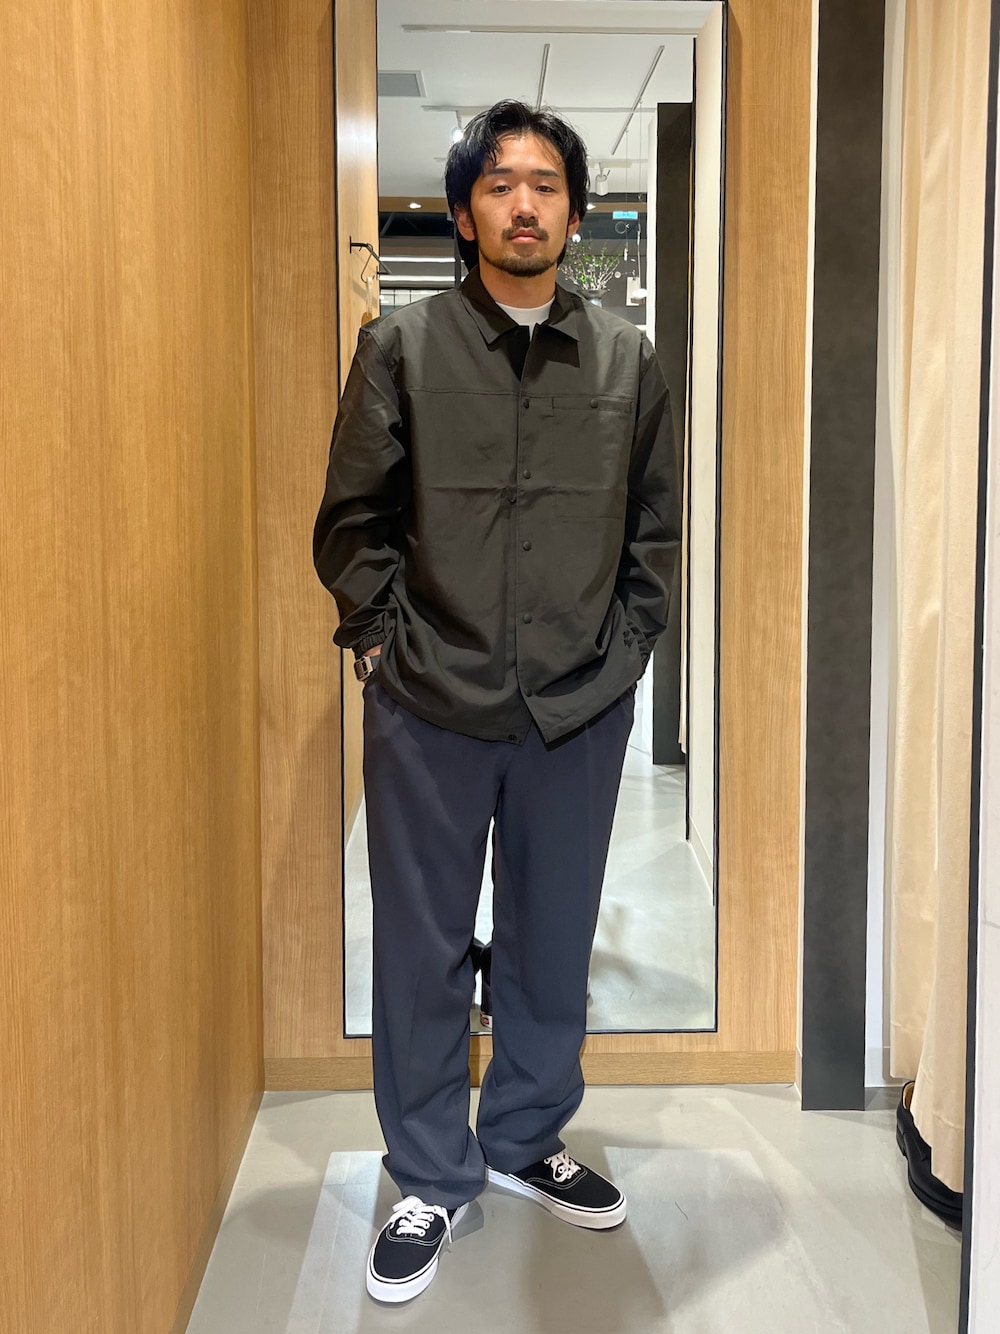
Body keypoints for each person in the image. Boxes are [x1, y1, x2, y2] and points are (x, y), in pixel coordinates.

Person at [313, 99, 680, 1304]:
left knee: (551, 937)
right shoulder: (400, 347)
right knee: (419, 947)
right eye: (500, 185)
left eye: (546, 185)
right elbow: (353, 522)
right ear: (465, 210)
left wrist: (624, 657)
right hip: (429, 698)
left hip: (576, 706)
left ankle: (524, 1134)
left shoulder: (625, 359)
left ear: (573, 211)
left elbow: (655, 533)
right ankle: (429, 1170)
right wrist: (383, 643)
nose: (525, 205)